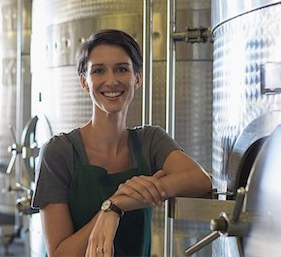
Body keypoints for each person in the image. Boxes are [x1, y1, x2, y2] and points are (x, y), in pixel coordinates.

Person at [32, 29, 212, 256]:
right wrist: (108, 210)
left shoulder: (150, 141)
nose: (111, 80)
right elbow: (60, 254)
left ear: (137, 78)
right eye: (98, 71)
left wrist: (119, 205)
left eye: (121, 69)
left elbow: (201, 180)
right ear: (84, 82)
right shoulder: (59, 152)